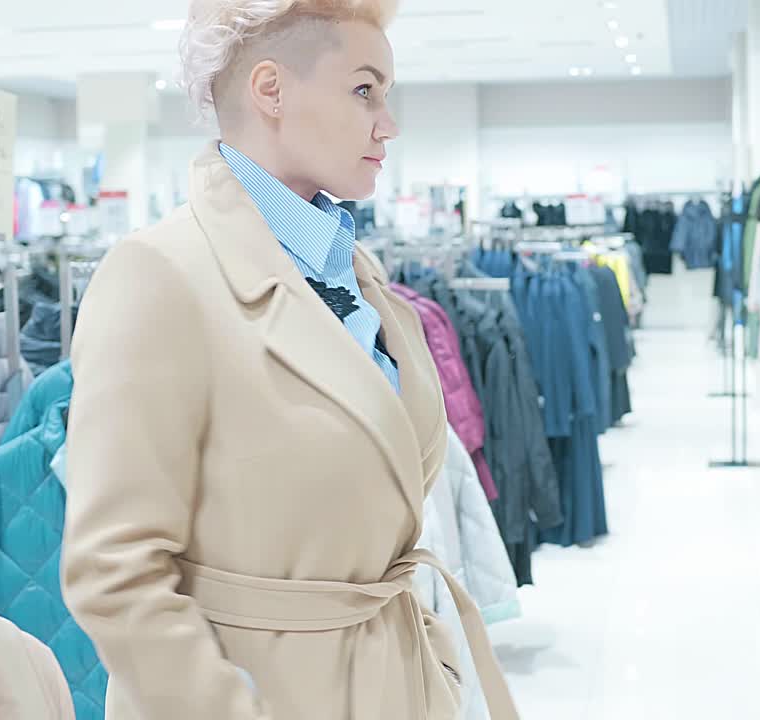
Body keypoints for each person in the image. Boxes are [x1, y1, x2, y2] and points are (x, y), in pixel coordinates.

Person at [60, 1, 519, 719]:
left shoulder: (355, 274)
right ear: (270, 90)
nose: (387, 123)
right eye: (364, 89)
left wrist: (433, 668)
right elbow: (113, 572)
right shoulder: (158, 276)